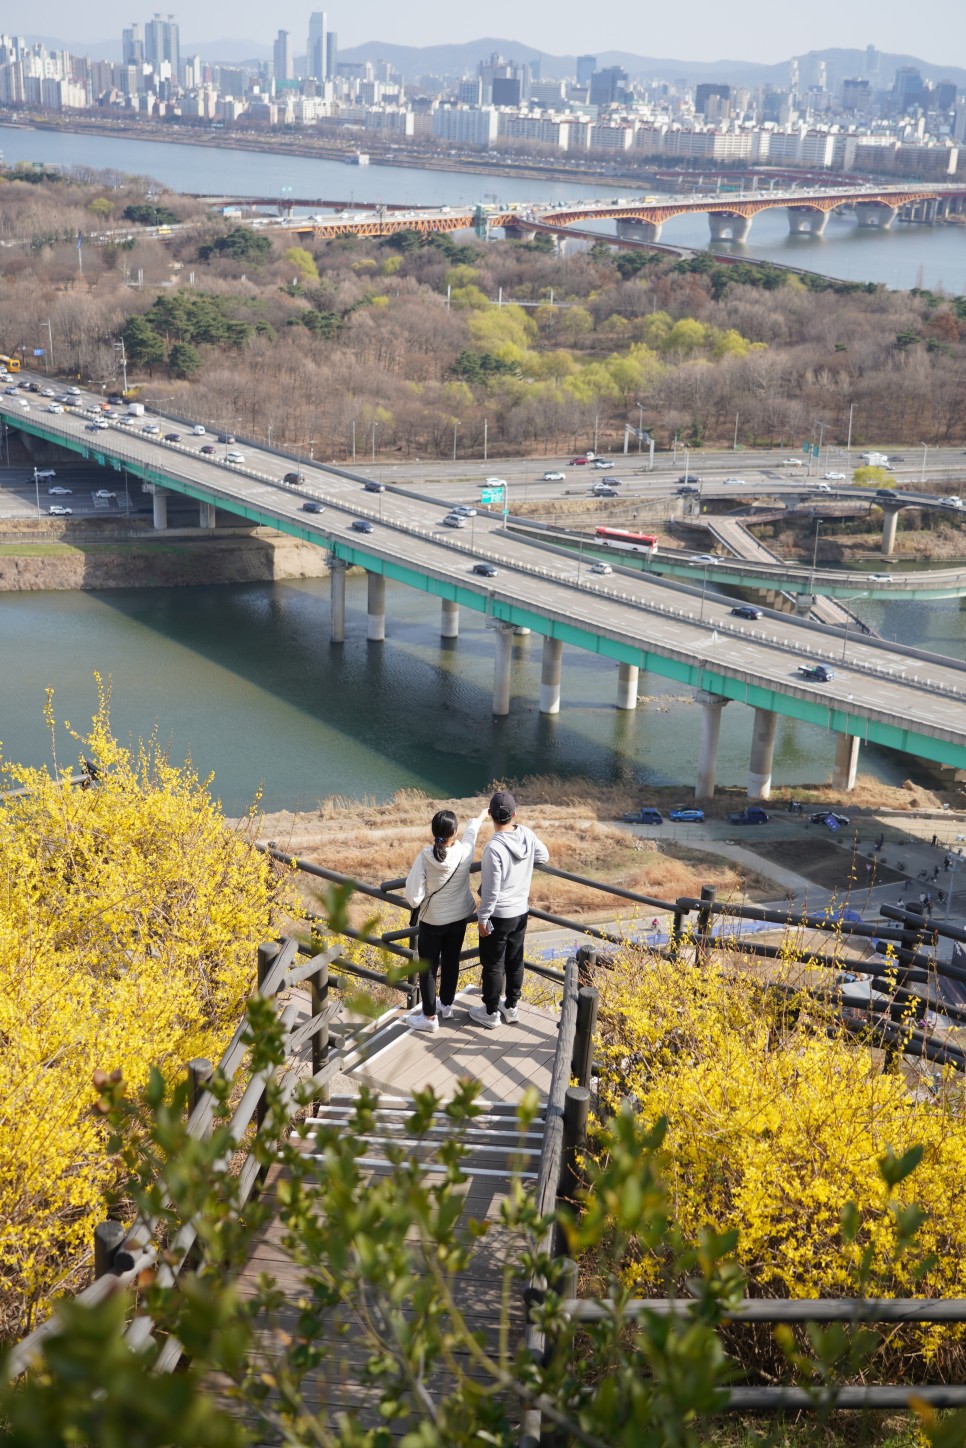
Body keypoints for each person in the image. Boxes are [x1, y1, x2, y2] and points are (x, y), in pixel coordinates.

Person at [404, 805, 488, 1033]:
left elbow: (413, 896)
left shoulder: (425, 856)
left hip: (433, 920)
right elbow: (472, 834)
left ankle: (430, 1017)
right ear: (455, 832)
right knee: (451, 961)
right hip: (459, 917)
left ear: (434, 832)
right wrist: (480, 816)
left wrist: (420, 899)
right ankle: (447, 1005)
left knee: (428, 968)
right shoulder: (465, 851)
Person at [469, 790, 549, 1031]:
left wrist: (482, 919)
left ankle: (491, 1011)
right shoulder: (526, 833)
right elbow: (543, 856)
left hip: (499, 915)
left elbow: (491, 891)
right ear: (514, 814)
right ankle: (511, 1007)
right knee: (515, 960)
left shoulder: (493, 848)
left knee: (493, 964)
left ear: (491, 815)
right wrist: (522, 864)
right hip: (520, 912)